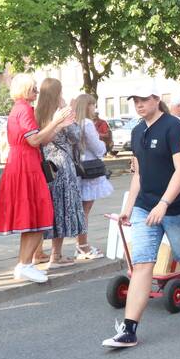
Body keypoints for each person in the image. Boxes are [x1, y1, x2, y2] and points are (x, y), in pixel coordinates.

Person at [103, 85, 180, 348]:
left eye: (144, 99)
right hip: (145, 206)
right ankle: (129, 329)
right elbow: (139, 173)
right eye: (135, 100)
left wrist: (164, 203)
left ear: (157, 99)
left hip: (176, 206)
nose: (139, 104)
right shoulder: (137, 131)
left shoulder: (174, 128)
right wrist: (130, 204)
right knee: (142, 264)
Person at [0, 74, 74, 284]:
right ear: (24, 90)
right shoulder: (25, 110)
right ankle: (25, 265)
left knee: (32, 216)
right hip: (26, 165)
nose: (37, 92)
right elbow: (35, 140)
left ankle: (25, 263)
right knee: (37, 214)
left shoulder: (19, 108)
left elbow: (40, 140)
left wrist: (57, 125)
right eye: (33, 89)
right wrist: (56, 120)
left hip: (23, 162)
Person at [35, 79, 86, 268]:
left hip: (44, 166)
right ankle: (56, 255)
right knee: (62, 209)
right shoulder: (60, 113)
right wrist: (67, 112)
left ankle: (37, 253)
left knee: (45, 210)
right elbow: (75, 136)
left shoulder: (36, 114)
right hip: (62, 167)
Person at [73, 94, 112, 259]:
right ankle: (82, 245)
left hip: (79, 169)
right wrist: (104, 144)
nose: (94, 109)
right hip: (90, 169)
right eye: (93, 105)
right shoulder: (87, 124)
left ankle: (81, 244)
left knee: (82, 209)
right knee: (85, 210)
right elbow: (98, 148)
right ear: (87, 106)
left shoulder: (75, 123)